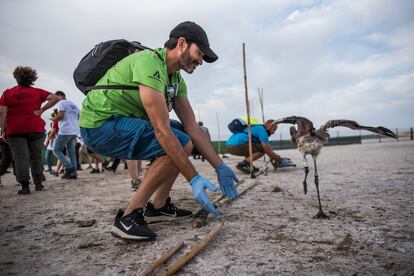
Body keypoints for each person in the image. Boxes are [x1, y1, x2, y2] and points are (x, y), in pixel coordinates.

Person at [79, 21, 238, 240]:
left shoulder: (176, 79)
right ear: (182, 43)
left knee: (185, 137)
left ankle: (158, 207)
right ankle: (128, 218)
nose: (201, 61)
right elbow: (162, 131)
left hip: (123, 121)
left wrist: (220, 166)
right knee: (177, 140)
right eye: (199, 53)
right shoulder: (148, 62)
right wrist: (193, 178)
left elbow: (193, 128)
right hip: (99, 125)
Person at [0, 66, 59, 194]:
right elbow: (55, 97)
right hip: (35, 128)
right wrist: (42, 110)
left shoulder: (7, 93)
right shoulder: (37, 92)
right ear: (32, 78)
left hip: (15, 130)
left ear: (16, 78)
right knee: (36, 156)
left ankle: (25, 186)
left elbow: (2, 113)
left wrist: (3, 130)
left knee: (20, 158)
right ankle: (38, 184)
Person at [226, 117, 291, 174]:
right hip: (236, 146)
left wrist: (275, 158)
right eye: (273, 130)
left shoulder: (255, 127)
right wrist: (281, 160)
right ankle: (243, 164)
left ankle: (249, 165)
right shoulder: (261, 130)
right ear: (269, 126)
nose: (273, 133)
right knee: (262, 149)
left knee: (254, 147)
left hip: (230, 146)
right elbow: (268, 151)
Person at [53, 91, 80, 179]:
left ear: (61, 96)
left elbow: (60, 116)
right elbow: (79, 116)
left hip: (65, 130)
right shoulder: (74, 104)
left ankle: (68, 167)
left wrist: (54, 118)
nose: (56, 100)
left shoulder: (62, 103)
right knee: (71, 152)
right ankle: (74, 173)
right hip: (74, 130)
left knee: (56, 149)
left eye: (56, 97)